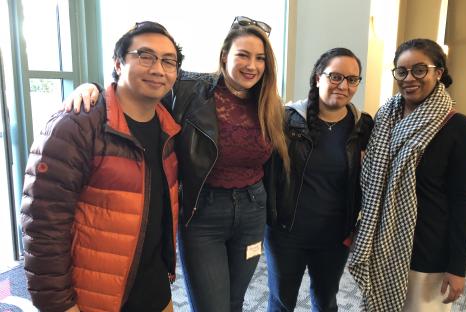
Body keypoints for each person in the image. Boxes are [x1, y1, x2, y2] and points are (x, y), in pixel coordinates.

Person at [63, 16, 290, 312]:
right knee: (212, 306)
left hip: (252, 210)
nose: (252, 65)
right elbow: (139, 90)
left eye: (260, 58)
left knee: (235, 301)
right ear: (224, 56)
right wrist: (91, 87)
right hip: (204, 210)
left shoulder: (270, 105)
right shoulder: (190, 90)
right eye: (243, 55)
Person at [21, 21, 183, 312]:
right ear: (118, 63)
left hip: (154, 288)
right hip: (95, 296)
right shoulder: (76, 125)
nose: (158, 68)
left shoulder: (169, 128)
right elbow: (43, 227)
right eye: (145, 56)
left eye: (168, 61)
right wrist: (58, 305)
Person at [349, 38, 466, 312]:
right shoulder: (385, 119)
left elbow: (463, 203)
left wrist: (457, 267)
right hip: (382, 245)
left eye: (419, 70)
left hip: (428, 253)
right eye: (402, 71)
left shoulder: (458, 128)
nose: (409, 78)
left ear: (438, 73)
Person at [265, 48, 373, 312]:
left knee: (325, 301)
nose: (343, 85)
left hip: (335, 236)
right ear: (317, 78)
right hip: (286, 233)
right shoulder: (286, 120)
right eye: (335, 76)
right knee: (281, 302)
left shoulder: (363, 127)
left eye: (352, 79)